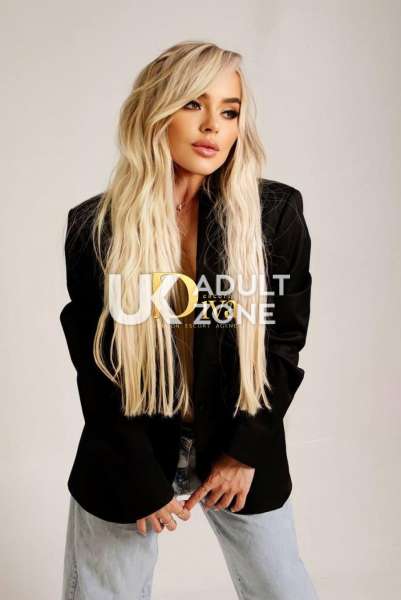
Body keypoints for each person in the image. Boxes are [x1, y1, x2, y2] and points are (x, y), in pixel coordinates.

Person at [60, 40, 319, 600]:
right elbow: (98, 368)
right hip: (127, 445)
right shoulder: (96, 228)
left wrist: (244, 453)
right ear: (156, 110)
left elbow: (282, 345)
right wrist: (136, 475)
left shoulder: (273, 216)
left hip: (238, 439)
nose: (212, 127)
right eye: (193, 104)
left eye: (229, 111)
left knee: (283, 589)